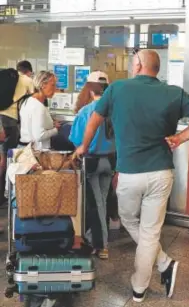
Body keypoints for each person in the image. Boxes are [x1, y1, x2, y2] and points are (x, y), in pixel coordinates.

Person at [75, 49, 189, 303]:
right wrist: (181, 138)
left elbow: (94, 121)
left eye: (132, 61)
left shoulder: (117, 89)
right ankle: (144, 284)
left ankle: (161, 267)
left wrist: (83, 146)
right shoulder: (173, 92)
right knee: (150, 232)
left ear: (138, 64)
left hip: (130, 173)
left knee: (129, 220)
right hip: (162, 172)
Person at [69, 71, 115, 260]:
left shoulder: (86, 111)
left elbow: (76, 140)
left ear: (89, 88)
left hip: (92, 161)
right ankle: (95, 239)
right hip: (111, 160)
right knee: (102, 201)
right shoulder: (115, 110)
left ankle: (101, 245)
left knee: (95, 204)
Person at [0, 62, 34, 206]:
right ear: (29, 72)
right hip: (10, 122)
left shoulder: (7, 79)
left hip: (1, 120)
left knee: (2, 158)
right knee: (9, 159)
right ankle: (6, 194)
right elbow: (35, 102)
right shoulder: (28, 81)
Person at [19, 71, 60, 150]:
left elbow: (32, 124)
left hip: (26, 149)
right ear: (42, 85)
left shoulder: (27, 101)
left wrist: (51, 123)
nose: (55, 89)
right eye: (53, 85)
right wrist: (56, 130)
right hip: (38, 152)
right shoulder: (38, 107)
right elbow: (39, 136)